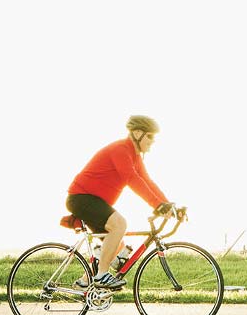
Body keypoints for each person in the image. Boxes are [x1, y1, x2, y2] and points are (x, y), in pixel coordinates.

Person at [65, 115, 182, 289]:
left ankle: (84, 283)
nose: (152, 141)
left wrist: (168, 205)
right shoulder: (121, 150)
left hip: (93, 201)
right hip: (81, 197)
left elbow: (147, 182)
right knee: (119, 224)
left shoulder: (135, 156)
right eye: (149, 136)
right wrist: (157, 205)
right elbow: (132, 179)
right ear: (137, 133)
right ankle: (101, 276)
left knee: (114, 246)